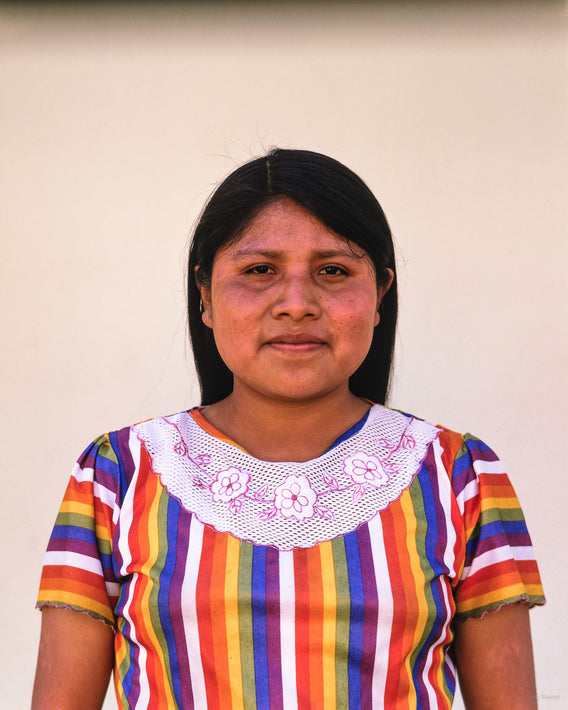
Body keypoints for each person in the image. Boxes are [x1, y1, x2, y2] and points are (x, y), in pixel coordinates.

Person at [32, 149, 545, 710]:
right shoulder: (117, 474)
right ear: (204, 295)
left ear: (380, 295)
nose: (296, 304)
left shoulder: (459, 474)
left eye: (333, 271)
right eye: (259, 271)